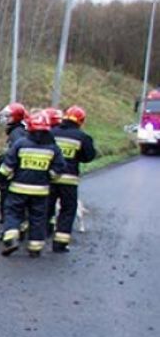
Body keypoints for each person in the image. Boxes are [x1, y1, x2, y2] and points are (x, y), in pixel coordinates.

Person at [0, 110, 66, 258]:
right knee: (38, 218)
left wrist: (2, 179)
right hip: (41, 191)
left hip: (18, 189)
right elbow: (60, 167)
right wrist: (49, 177)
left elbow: (8, 165)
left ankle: (11, 239)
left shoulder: (20, 144)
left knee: (13, 213)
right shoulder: (53, 147)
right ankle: (35, 247)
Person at [49, 105, 97, 252]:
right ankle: (60, 244)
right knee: (68, 210)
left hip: (49, 177)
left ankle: (36, 239)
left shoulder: (51, 133)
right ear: (81, 121)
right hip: (69, 180)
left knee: (45, 208)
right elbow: (88, 157)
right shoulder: (82, 137)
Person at [0, 102, 27, 237]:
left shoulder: (17, 133)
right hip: (15, 174)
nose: (5, 119)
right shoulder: (16, 132)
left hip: (12, 176)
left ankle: (10, 231)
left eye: (9, 116)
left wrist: (5, 172)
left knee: (10, 205)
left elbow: (14, 154)